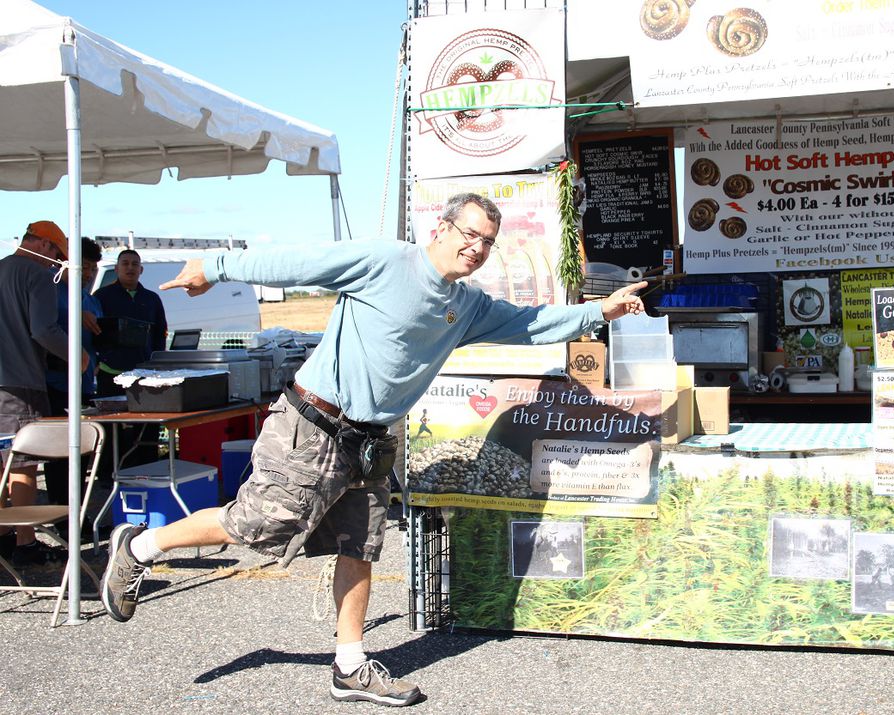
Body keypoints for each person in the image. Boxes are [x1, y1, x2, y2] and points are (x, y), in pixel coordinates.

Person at [101, 193, 646, 707]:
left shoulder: (468, 305)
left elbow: (529, 324)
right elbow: (299, 263)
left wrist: (600, 311)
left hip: (372, 440)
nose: (476, 249)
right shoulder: (385, 262)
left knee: (360, 545)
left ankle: (350, 665)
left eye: (487, 243)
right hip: (314, 423)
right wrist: (216, 267)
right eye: (470, 234)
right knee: (256, 526)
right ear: (442, 227)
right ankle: (140, 548)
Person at [0, 221, 88, 566]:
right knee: (23, 463)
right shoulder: (38, 276)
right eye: (57, 255)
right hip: (20, 382)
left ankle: (5, 536)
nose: (57, 264)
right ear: (42, 245)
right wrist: (77, 356)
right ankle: (25, 542)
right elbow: (43, 330)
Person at [43, 237, 104, 506]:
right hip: (55, 385)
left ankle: (79, 515)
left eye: (92, 269)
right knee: (59, 457)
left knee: (81, 456)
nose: (88, 274)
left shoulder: (90, 300)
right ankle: (63, 520)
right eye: (84, 267)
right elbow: (43, 329)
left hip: (85, 386)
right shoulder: (48, 290)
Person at [93, 249, 167, 397]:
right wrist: (96, 362)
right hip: (110, 372)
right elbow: (92, 331)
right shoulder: (101, 296)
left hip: (143, 373)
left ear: (141, 270)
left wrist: (156, 365)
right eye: (125, 263)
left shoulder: (152, 299)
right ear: (116, 268)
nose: (130, 268)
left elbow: (160, 334)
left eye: (135, 264)